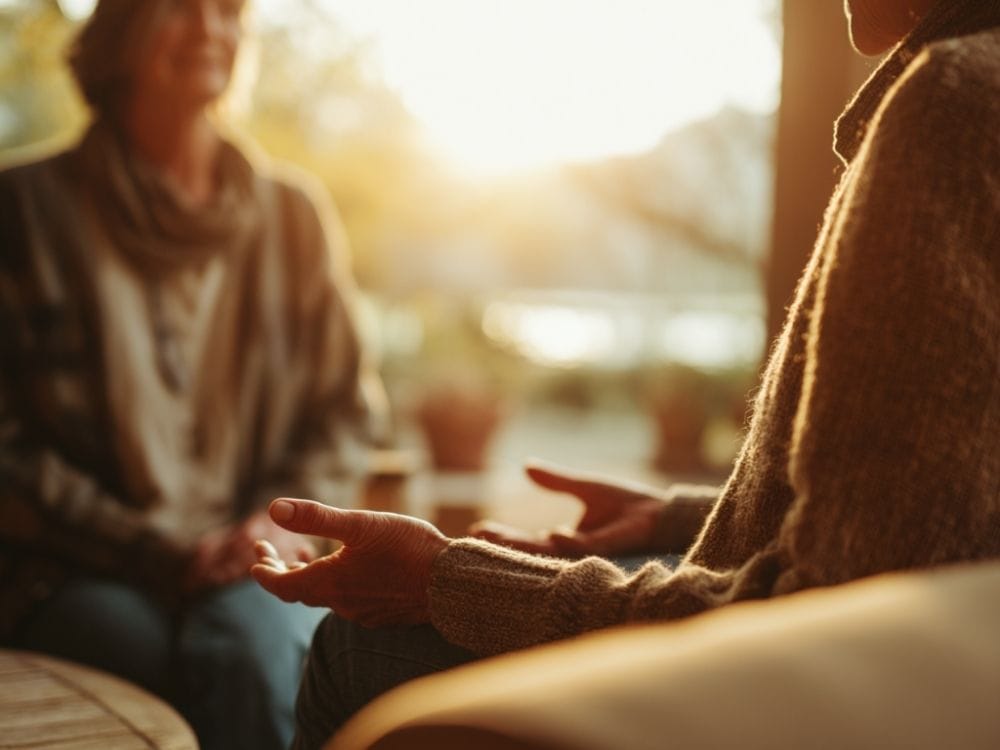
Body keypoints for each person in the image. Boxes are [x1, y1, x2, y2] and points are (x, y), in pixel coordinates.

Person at [253, 0, 1000, 747]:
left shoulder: (955, 109)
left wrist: (449, 579)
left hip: (787, 705)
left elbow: (831, 615)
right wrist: (679, 519)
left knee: (357, 652)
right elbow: (939, 519)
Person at [0, 1, 387, 749]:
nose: (211, 28)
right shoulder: (21, 210)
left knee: (248, 653)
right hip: (76, 564)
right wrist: (154, 550)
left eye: (229, 9)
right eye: (180, 6)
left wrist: (272, 528)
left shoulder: (293, 218)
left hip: (258, 558)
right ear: (119, 33)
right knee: (134, 657)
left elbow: (345, 412)